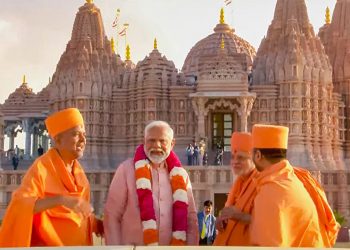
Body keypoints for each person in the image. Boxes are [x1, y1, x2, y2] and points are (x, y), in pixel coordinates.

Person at [0, 108, 103, 247]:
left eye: (84, 135)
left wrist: (96, 224)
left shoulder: (79, 173)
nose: (83, 140)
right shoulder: (42, 167)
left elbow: (77, 213)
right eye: (76, 134)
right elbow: (21, 205)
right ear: (58, 140)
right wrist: (62, 200)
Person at [104, 120, 198, 246]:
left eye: (162, 141)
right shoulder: (126, 170)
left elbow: (191, 221)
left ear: (172, 144)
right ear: (144, 142)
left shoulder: (181, 176)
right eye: (151, 140)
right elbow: (112, 216)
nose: (157, 146)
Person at [249, 124, 339, 247]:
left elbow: (269, 245)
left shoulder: (270, 193)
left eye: (251, 153)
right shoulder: (296, 182)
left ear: (258, 155)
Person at [214, 132, 257, 246]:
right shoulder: (239, 182)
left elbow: (269, 223)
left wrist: (240, 216)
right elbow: (229, 213)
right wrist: (220, 219)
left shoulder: (262, 183)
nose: (235, 161)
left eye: (241, 157)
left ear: (254, 159)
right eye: (232, 157)